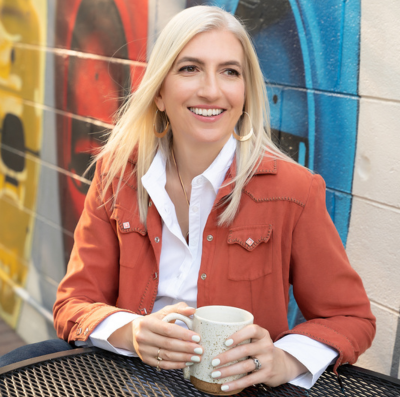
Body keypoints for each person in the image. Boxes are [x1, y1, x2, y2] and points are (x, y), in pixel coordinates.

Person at [2, 5, 375, 392]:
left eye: (230, 71)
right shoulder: (116, 174)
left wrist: (284, 359)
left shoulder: (294, 190)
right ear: (160, 92)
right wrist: (133, 332)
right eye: (189, 68)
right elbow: (73, 304)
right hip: (127, 380)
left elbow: (350, 318)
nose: (211, 90)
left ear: (245, 94)